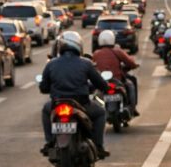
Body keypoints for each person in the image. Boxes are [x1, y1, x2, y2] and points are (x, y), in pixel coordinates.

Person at [39, 31, 111, 159]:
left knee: (46, 110)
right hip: (81, 103)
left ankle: (49, 142)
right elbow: (100, 83)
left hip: (57, 103)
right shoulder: (86, 63)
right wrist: (104, 87)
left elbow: (43, 88)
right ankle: (98, 146)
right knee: (100, 113)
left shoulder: (51, 64)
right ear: (79, 46)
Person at [92, 30, 140, 116]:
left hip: (101, 82)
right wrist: (134, 64)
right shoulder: (117, 51)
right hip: (117, 80)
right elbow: (130, 62)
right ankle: (132, 108)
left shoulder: (96, 53)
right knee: (131, 85)